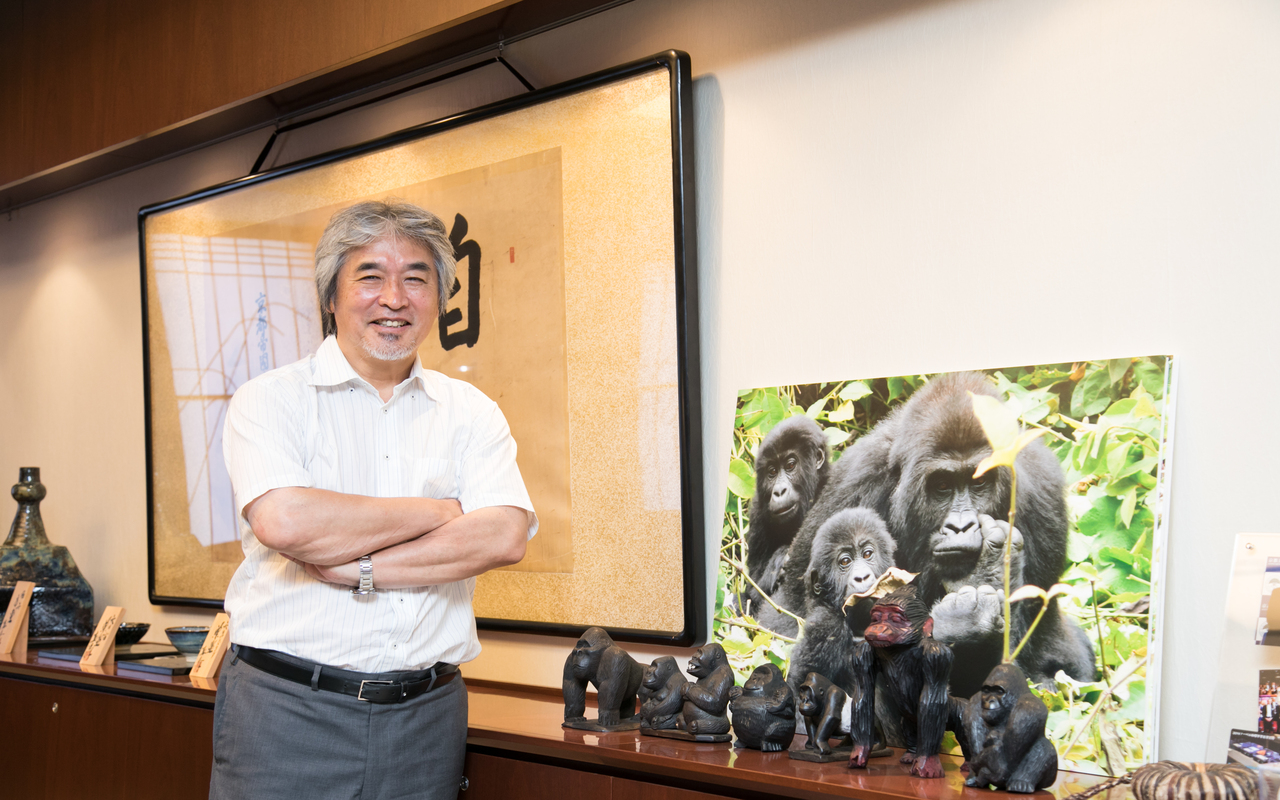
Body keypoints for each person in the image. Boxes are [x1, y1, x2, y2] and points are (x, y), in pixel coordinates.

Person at [210, 200, 537, 800]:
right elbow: (286, 520)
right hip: (288, 711)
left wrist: (359, 566)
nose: (394, 298)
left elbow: (504, 536)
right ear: (330, 297)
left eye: (416, 278)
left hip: (426, 717)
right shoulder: (271, 400)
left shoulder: (471, 412)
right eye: (370, 276)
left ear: (439, 300)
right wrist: (441, 511)